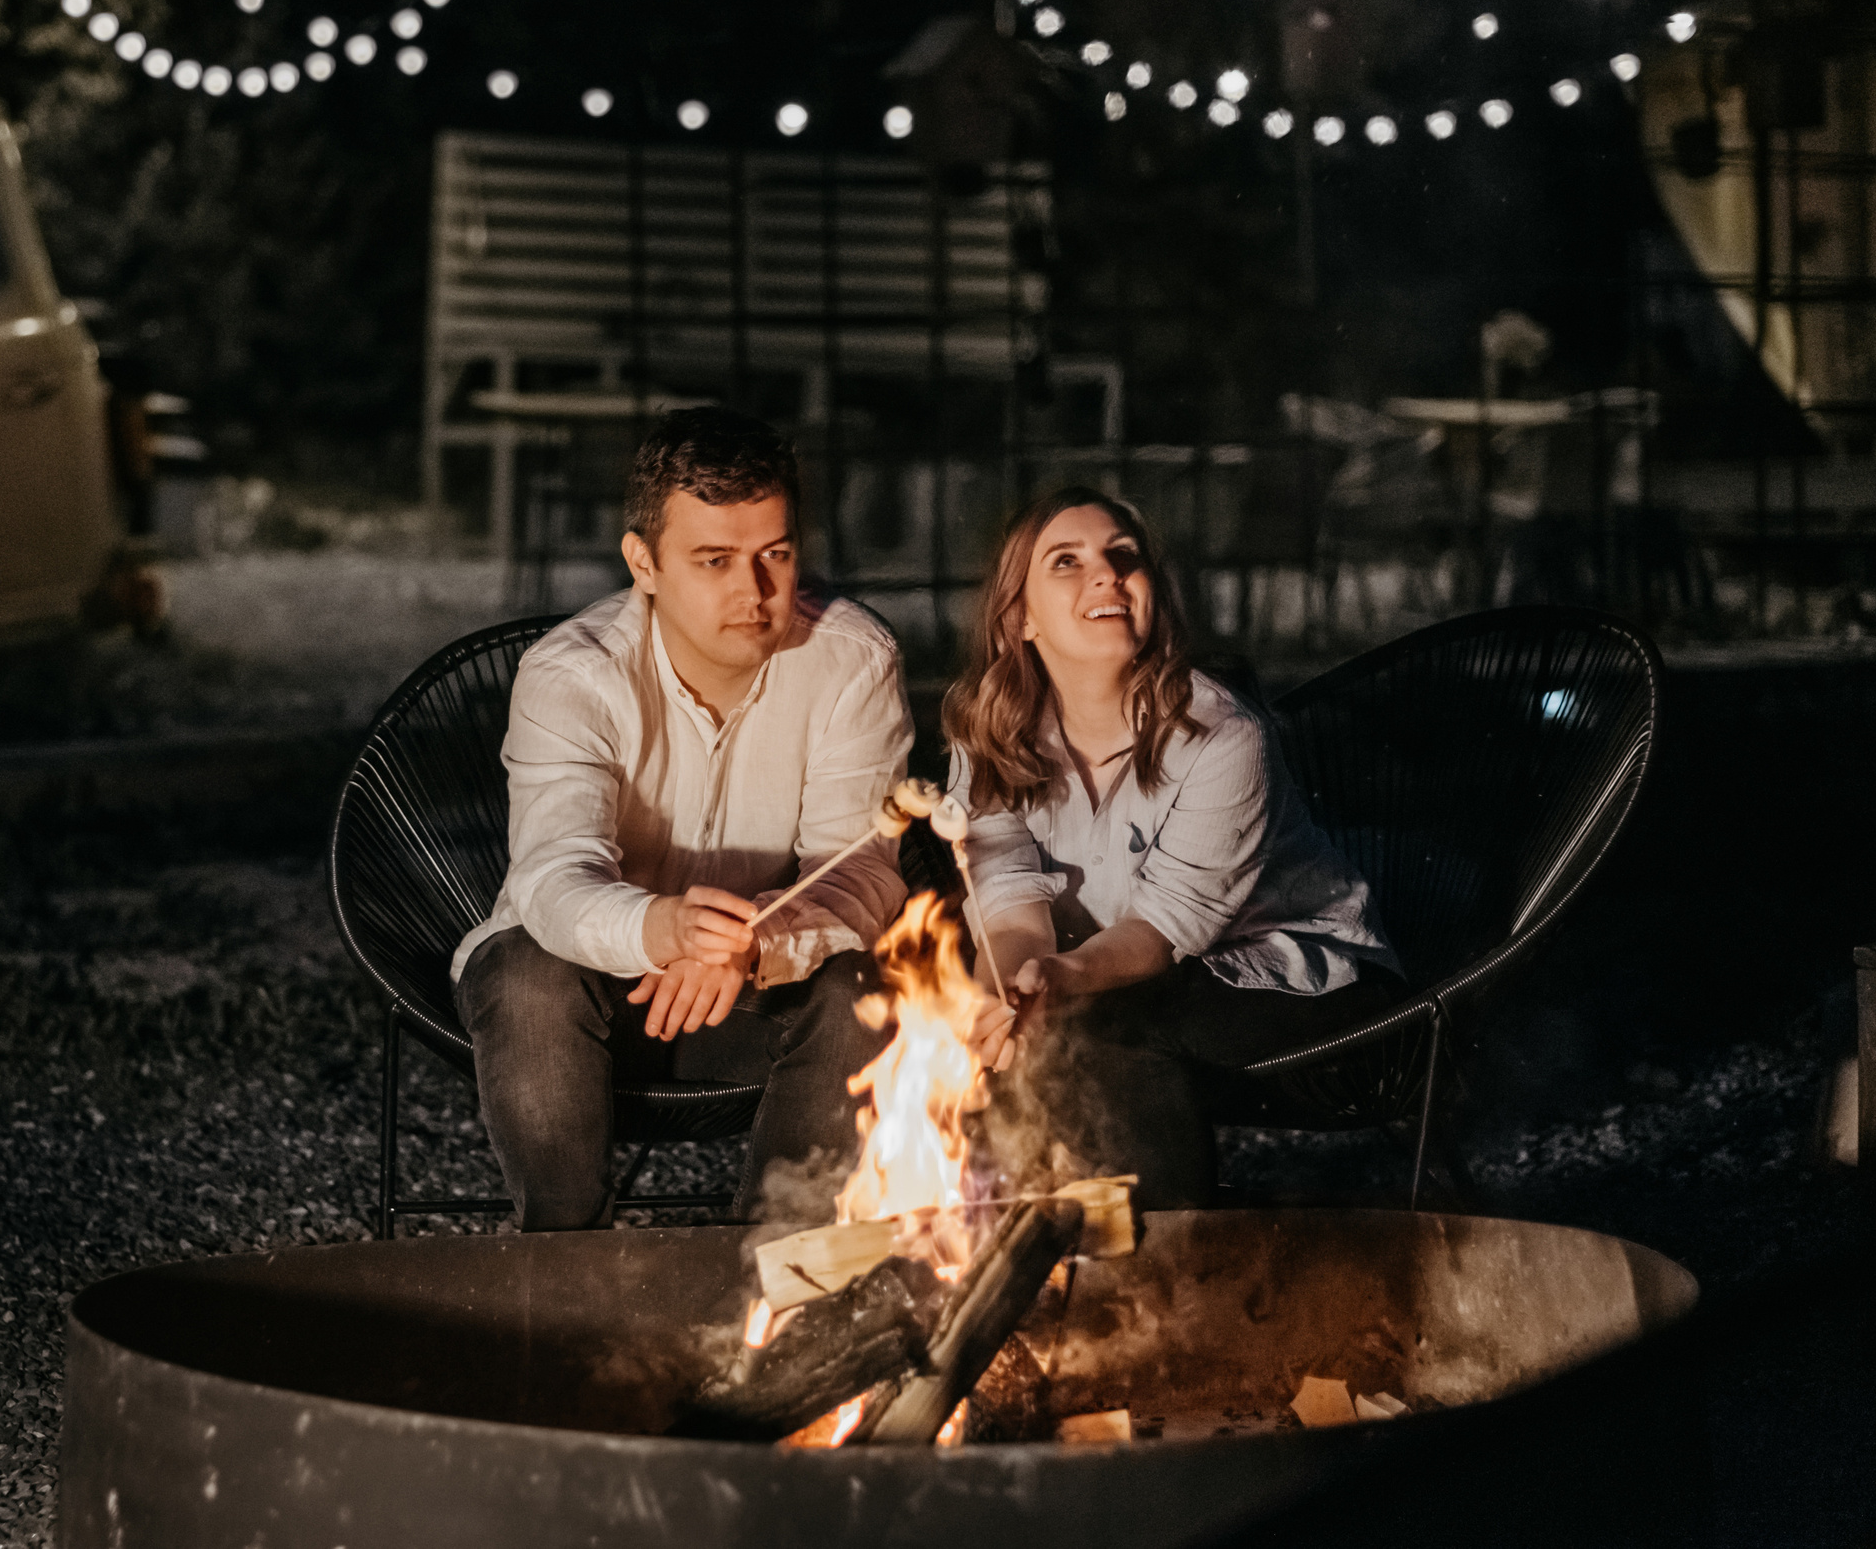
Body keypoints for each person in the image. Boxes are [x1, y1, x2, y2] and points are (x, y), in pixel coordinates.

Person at [451, 410, 911, 1231]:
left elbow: (860, 868)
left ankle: (768, 1275)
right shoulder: (574, 676)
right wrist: (665, 929)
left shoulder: (852, 660)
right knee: (523, 975)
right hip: (590, 991)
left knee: (872, 985)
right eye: (715, 560)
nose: (756, 591)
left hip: (763, 989)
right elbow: (552, 878)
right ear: (644, 563)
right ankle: (568, 1269)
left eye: (775, 554)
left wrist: (756, 943)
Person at [946, 487, 1403, 1208]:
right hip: (1133, 973)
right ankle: (1022, 1229)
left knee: (1108, 1018)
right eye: (1067, 561)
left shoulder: (1221, 736)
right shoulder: (992, 739)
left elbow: (1162, 930)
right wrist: (998, 999)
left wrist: (1060, 978)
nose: (1105, 574)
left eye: (1122, 557)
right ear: (1020, 617)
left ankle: (1167, 1258)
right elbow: (1011, 917)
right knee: (993, 1018)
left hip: (1310, 980)